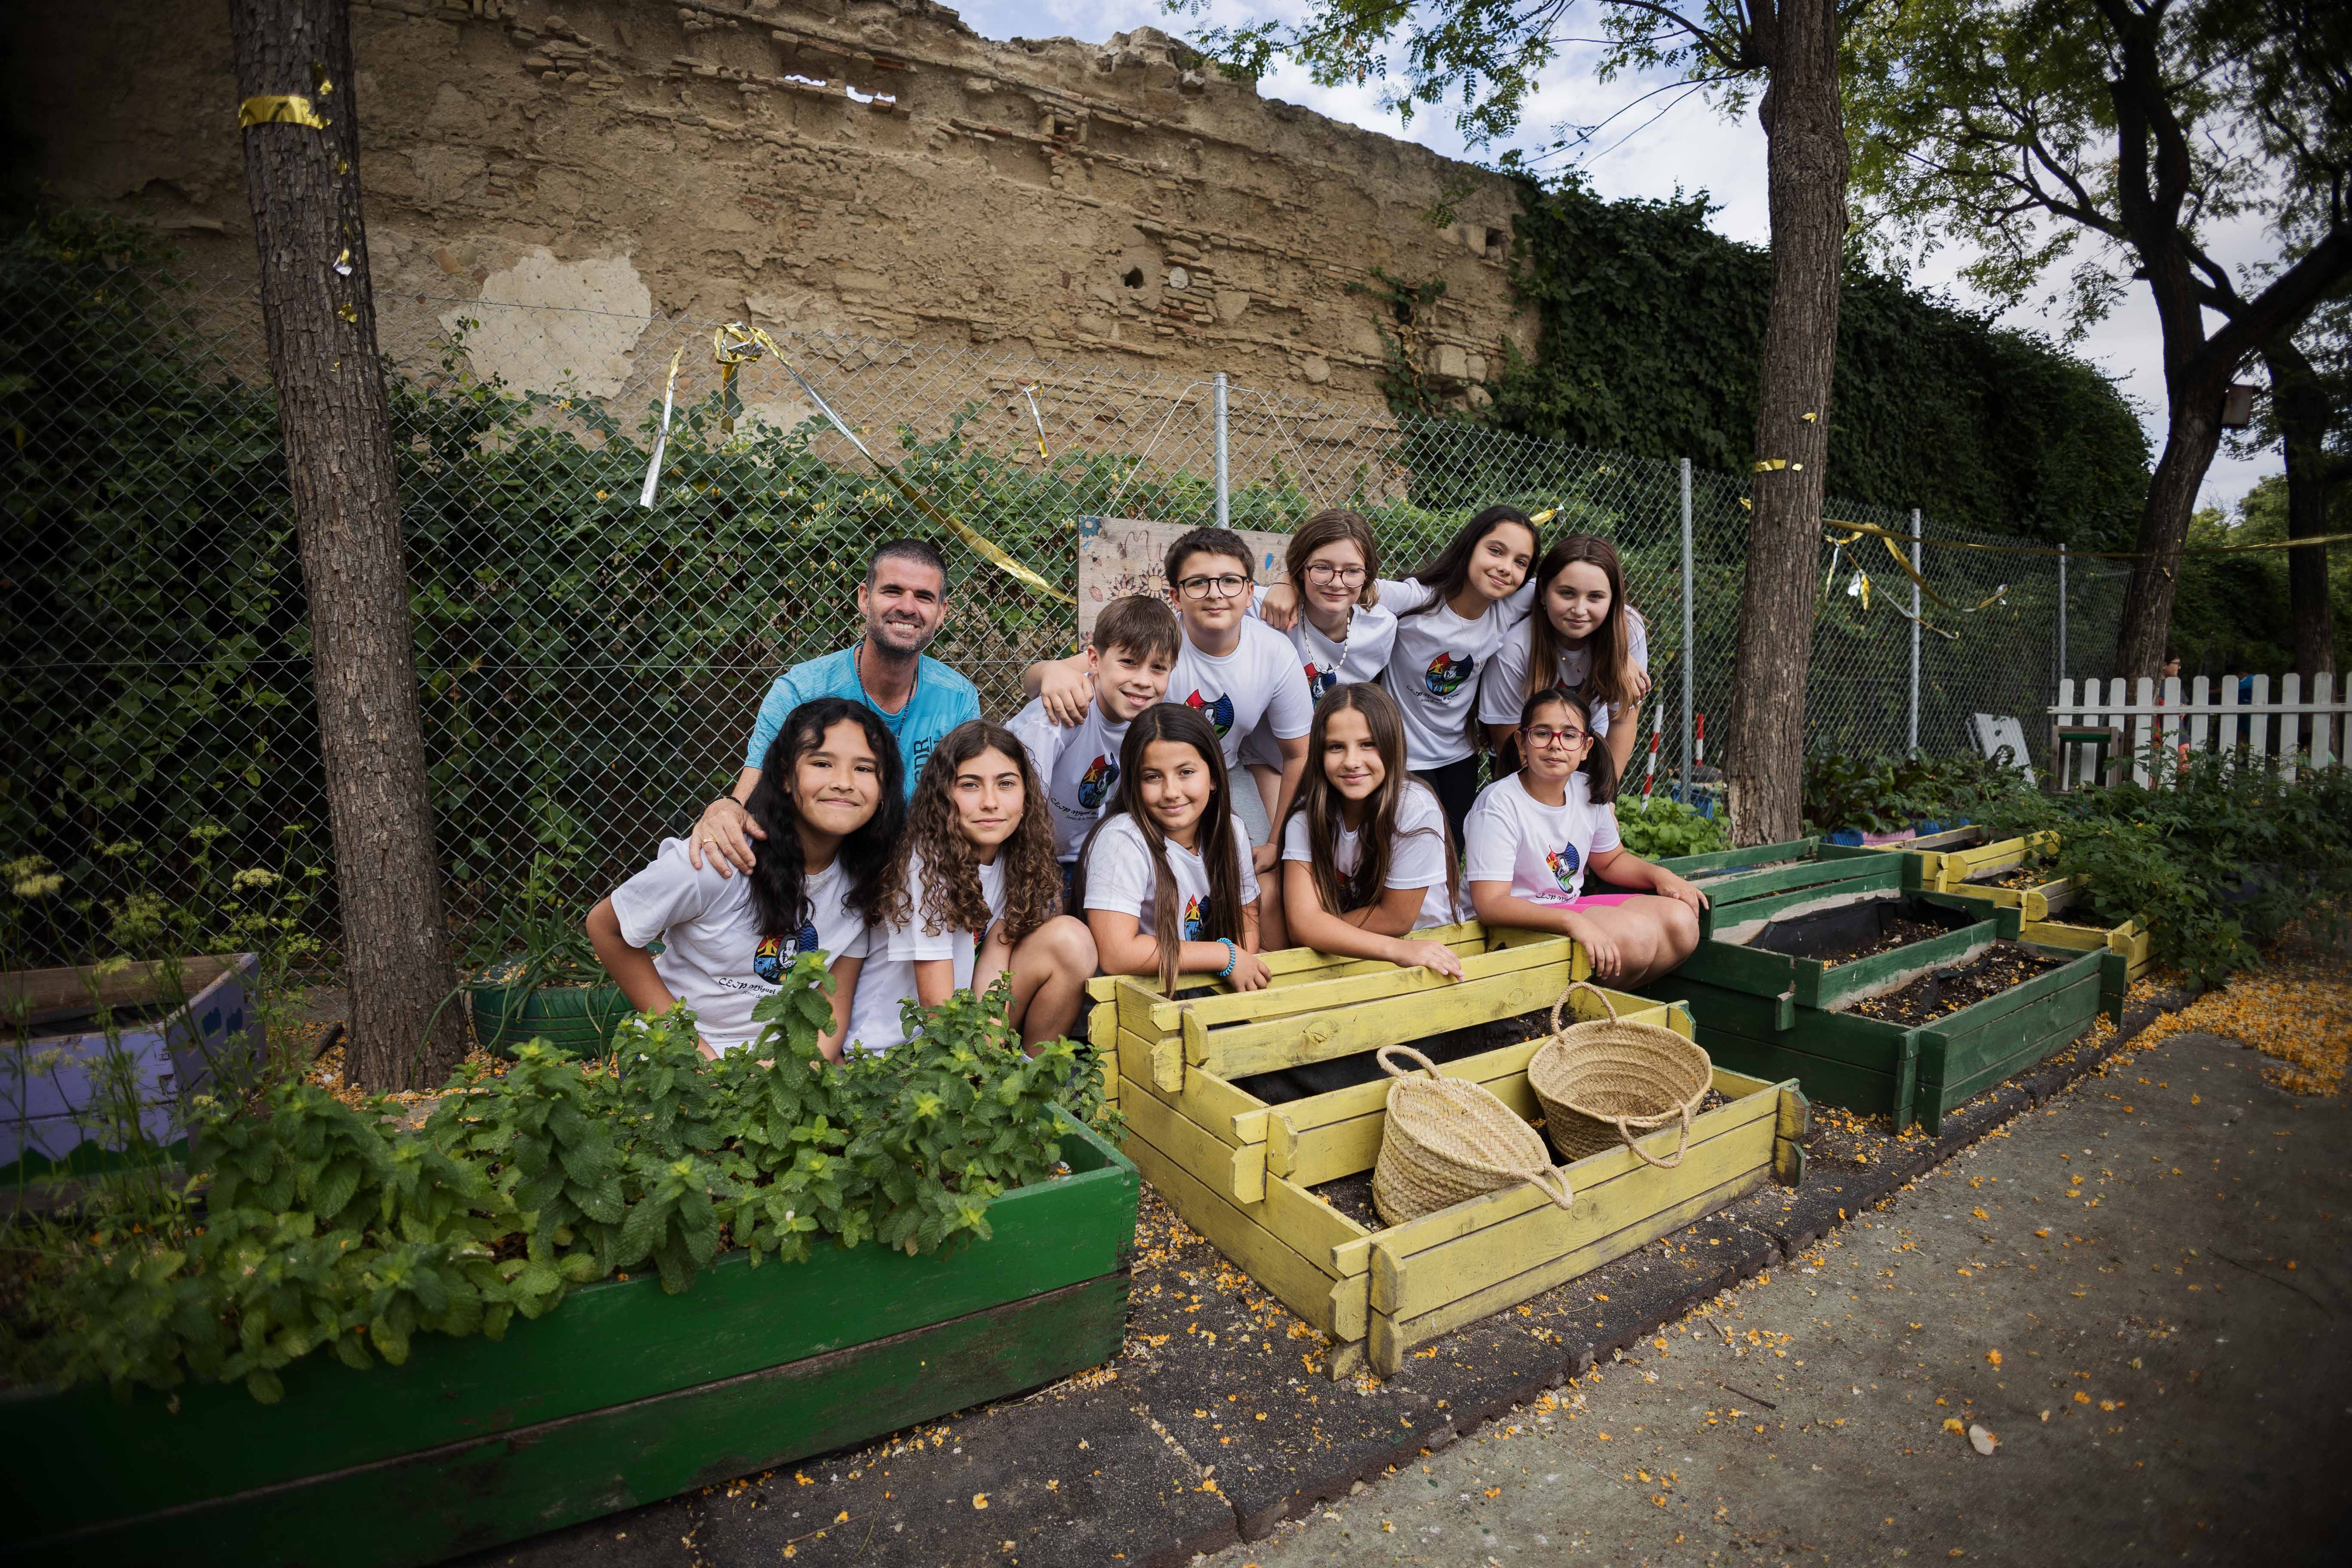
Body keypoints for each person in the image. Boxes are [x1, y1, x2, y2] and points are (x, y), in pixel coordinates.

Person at [1026, 527, 1312, 946]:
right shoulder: (1155, 646)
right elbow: (1049, 676)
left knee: (1261, 877)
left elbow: (1298, 754)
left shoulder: (1273, 653)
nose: (1215, 594)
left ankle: (1255, 978)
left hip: (1221, 773)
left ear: (1251, 593)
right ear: (1176, 597)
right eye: (1198, 583)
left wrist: (1274, 841)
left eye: (1229, 581)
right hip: (1144, 775)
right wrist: (1048, 671)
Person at [587, 697, 904, 1061]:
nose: (844, 783)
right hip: (680, 1059)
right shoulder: (717, 860)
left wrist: (800, 1072)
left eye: (865, 769)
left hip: (784, 1066)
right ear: (786, 776)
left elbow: (834, 1000)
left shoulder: (867, 879)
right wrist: (696, 1055)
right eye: (821, 763)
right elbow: (604, 926)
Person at [689, 539, 978, 876]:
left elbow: (965, 804)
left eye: (924, 597)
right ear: (864, 598)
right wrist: (727, 808)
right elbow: (757, 783)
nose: (908, 607)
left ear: (942, 612)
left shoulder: (958, 698)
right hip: (815, 869)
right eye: (892, 591)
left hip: (918, 873)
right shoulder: (802, 690)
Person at [848, 721, 1098, 1056]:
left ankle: (1037, 1083)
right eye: (970, 785)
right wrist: (978, 1070)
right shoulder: (926, 862)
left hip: (965, 1028)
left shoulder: (1017, 855)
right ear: (943, 795)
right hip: (892, 1051)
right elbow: (936, 1008)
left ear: (1026, 795)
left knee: (1072, 940)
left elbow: (996, 961)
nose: (990, 802)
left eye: (1006, 784)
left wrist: (993, 1050)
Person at [1463, 686, 1706, 987]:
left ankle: (1591, 1009)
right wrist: (1574, 922)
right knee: (1635, 939)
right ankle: (1569, 1014)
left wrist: (1660, 875)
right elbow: (1491, 906)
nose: (1556, 745)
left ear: (1586, 747)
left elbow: (1611, 860)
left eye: (1569, 735)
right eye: (1542, 734)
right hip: (1509, 926)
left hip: (1566, 908)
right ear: (1522, 742)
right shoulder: (1498, 804)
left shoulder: (1587, 791)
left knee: (1681, 924)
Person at [1236, 508, 1399, 865]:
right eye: (1322, 567)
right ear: (1301, 569)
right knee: (1273, 857)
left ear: (1368, 575)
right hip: (1270, 760)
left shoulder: (1381, 628)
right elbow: (1180, 623)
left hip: (1334, 766)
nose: (1337, 583)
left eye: (1352, 571)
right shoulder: (1264, 608)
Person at [1074, 702, 1268, 995]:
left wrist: (1239, 959)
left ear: (1214, 777)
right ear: (1133, 783)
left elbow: (1247, 916)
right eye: (1152, 777)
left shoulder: (1230, 830)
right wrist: (1225, 956)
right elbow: (1118, 953)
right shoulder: (1122, 839)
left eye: (1186, 772)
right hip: (1134, 1000)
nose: (1171, 792)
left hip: (1197, 983)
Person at [1378, 505, 1541, 848]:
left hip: (1459, 757)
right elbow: (1348, 584)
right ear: (1470, 546)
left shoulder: (1508, 607)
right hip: (1402, 755)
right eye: (1496, 551)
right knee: (1414, 851)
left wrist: (1624, 651)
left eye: (1520, 562)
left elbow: (1580, 584)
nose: (1505, 568)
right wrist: (1288, 583)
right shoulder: (1416, 600)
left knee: (1454, 849)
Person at [1279, 683, 1465, 975]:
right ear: (1319, 753)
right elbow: (1303, 924)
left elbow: (1397, 919)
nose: (1352, 762)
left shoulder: (1415, 807)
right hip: (1360, 948)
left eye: (1369, 744)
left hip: (1424, 947)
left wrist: (1320, 929)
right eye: (1336, 747)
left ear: (1392, 745)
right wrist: (1314, 928)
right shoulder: (1307, 814)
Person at [1003, 595, 1181, 881]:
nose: (1144, 681)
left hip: (1086, 856)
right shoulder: (1059, 712)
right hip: (1020, 853)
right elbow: (1020, 806)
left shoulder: (1154, 719)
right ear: (1095, 660)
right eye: (1129, 663)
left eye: (1158, 668)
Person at [1482, 534, 1652, 778]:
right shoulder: (1516, 646)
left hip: (1590, 744)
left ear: (1613, 600)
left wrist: (1606, 799)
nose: (1580, 610)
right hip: (1525, 753)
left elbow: (1623, 720)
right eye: (1567, 594)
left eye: (1595, 597)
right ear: (1543, 593)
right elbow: (1507, 738)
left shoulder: (1628, 633)